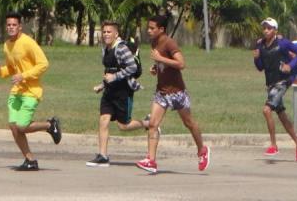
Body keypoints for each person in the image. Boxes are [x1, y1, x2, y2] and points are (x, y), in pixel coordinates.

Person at [135, 14, 210, 175]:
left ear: (161, 29)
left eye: (152, 28)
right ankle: (151, 160)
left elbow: (181, 64)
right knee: (153, 124)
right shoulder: (154, 41)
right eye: (148, 27)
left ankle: (202, 150)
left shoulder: (169, 43)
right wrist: (156, 67)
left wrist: (160, 58)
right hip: (161, 91)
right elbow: (162, 63)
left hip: (177, 92)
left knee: (189, 123)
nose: (148, 30)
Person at [0, 12, 61, 171]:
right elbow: (11, 69)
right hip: (16, 91)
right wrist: (0, 71)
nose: (10, 27)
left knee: (22, 126)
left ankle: (49, 125)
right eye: (8, 25)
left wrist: (24, 75)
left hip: (31, 91)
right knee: (13, 126)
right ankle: (30, 160)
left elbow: (43, 64)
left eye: (14, 25)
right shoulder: (7, 45)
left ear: (20, 27)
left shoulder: (28, 43)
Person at [86, 21, 151, 167]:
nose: (106, 34)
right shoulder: (106, 49)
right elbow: (110, 71)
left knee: (124, 126)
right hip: (109, 91)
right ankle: (103, 156)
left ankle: (149, 122)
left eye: (109, 32)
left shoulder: (121, 48)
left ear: (116, 34)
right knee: (103, 120)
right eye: (104, 32)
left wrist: (114, 77)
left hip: (123, 91)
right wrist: (102, 85)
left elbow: (132, 67)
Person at [252, 17, 297, 161]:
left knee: (266, 110)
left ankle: (273, 145)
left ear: (275, 30)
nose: (266, 31)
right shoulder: (260, 45)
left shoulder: (283, 43)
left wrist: (290, 65)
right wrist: (256, 58)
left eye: (269, 28)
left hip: (283, 82)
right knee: (281, 115)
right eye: (264, 28)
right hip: (270, 84)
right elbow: (260, 68)